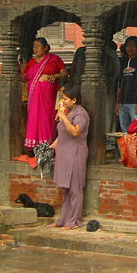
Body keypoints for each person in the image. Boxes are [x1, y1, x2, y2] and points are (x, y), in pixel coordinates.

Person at [51, 85, 89, 229]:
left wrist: (63, 117)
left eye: (66, 99)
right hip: (63, 154)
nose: (63, 101)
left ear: (74, 100)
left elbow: (75, 132)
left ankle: (74, 221)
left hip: (75, 154)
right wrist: (52, 146)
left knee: (75, 188)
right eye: (62, 98)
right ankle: (63, 219)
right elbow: (62, 133)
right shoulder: (66, 112)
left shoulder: (81, 114)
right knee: (65, 188)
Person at [21, 37, 67, 149]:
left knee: (46, 117)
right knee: (34, 117)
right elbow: (25, 77)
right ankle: (34, 145)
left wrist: (55, 76)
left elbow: (64, 73)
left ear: (45, 47)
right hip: (33, 95)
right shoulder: (31, 62)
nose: (35, 49)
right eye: (34, 47)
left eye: (38, 46)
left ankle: (47, 144)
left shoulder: (54, 59)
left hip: (48, 95)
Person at [115, 36, 137, 133]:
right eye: (128, 46)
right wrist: (117, 102)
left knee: (136, 129)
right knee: (124, 129)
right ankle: (126, 148)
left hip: (134, 102)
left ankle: (136, 148)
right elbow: (120, 83)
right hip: (122, 102)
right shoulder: (123, 63)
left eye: (133, 46)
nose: (130, 48)